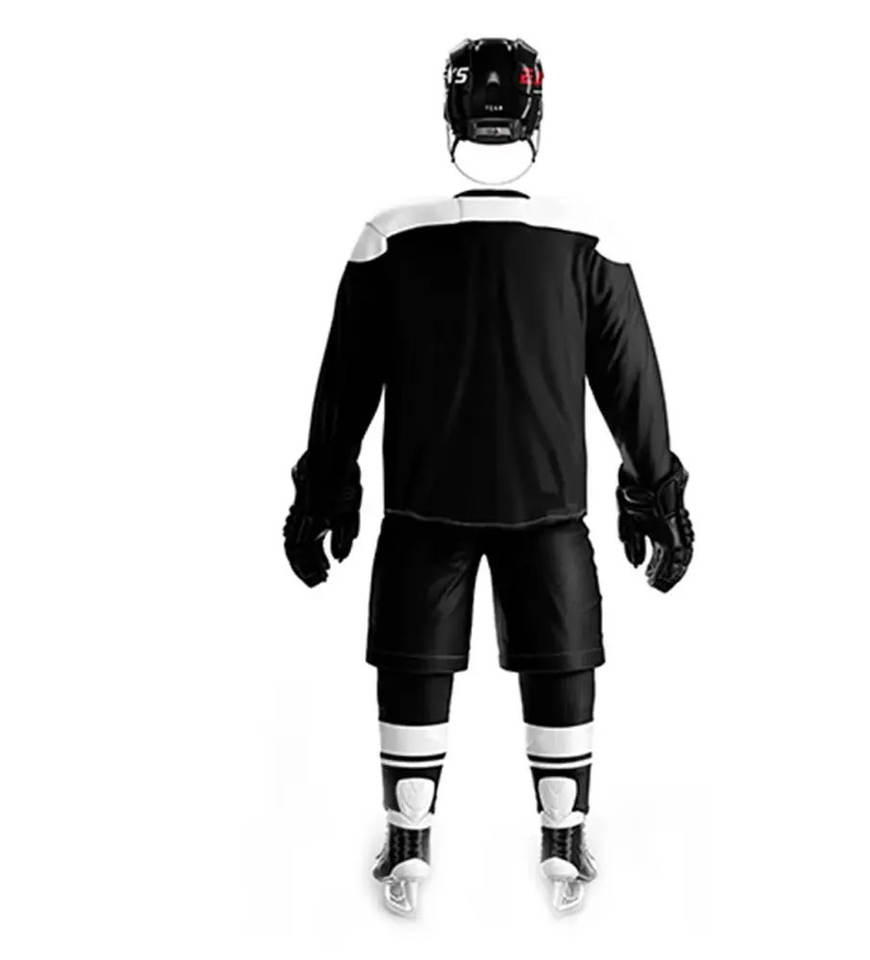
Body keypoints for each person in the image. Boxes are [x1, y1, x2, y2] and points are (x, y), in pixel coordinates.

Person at [283, 37, 694, 916]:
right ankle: (564, 843)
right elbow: (632, 384)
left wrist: (322, 489)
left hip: (423, 509)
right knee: (562, 656)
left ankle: (408, 842)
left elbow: (344, 382)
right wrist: (656, 494)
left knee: (413, 659)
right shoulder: (590, 241)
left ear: (451, 113)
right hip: (549, 509)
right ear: (537, 116)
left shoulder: (388, 237)